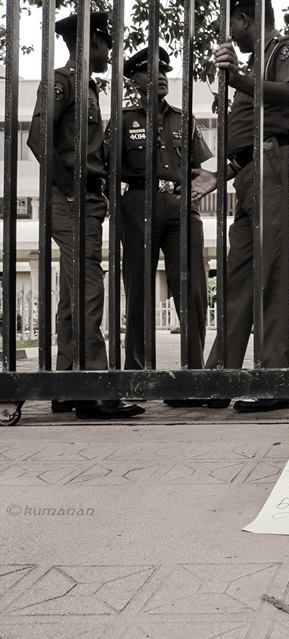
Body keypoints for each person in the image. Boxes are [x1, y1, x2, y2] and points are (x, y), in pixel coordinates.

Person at [189, 0, 289, 412]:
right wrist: (219, 175)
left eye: (231, 26)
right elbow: (246, 138)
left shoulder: (285, 49)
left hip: (276, 167)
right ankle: (217, 379)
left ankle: (277, 382)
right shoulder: (256, 60)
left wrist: (237, 79)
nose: (229, 36)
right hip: (249, 174)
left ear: (245, 19)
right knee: (236, 278)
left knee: (273, 278)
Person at [27, 12, 144, 420]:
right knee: (89, 289)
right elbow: (38, 137)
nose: (111, 53)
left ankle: (66, 384)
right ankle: (95, 388)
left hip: (85, 201)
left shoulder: (87, 88)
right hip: (73, 200)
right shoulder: (62, 82)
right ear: (89, 43)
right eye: (107, 45)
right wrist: (71, 191)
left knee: (72, 294)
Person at [109, 46, 213, 384]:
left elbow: (201, 167)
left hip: (182, 208)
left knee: (193, 288)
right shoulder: (123, 120)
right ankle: (137, 375)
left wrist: (196, 186)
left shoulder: (185, 119)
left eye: (164, 70)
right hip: (139, 204)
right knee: (138, 290)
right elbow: (111, 171)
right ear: (135, 79)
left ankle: (194, 375)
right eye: (151, 70)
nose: (161, 76)